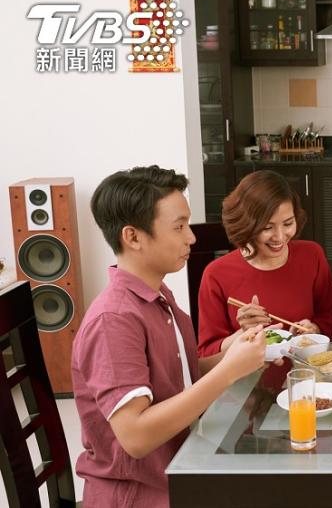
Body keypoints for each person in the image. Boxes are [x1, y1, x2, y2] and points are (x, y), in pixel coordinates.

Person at [72, 166, 267, 507]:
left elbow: (177, 379)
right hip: (142, 492)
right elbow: (135, 435)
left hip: (183, 465)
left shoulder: (156, 296)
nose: (191, 238)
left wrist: (230, 351)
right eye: (179, 227)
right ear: (132, 237)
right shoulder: (114, 319)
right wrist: (229, 371)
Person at [197, 170, 332, 357]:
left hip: (303, 373)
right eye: (267, 227)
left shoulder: (312, 255)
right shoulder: (216, 274)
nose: (280, 237)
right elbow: (206, 354)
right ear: (245, 224)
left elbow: (328, 317)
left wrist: (315, 328)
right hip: (245, 380)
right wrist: (242, 334)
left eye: (288, 223)